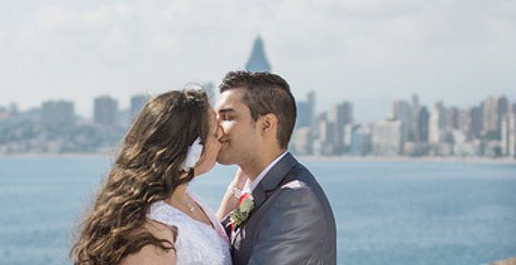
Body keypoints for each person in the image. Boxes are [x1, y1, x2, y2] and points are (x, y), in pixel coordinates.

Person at [71, 88, 231, 265]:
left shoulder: (183, 197)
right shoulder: (149, 236)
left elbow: (207, 238)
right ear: (191, 148)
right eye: (216, 134)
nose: (222, 138)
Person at [214, 71, 337, 265]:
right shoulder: (260, 188)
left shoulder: (296, 200)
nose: (216, 128)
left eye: (227, 117)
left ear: (266, 125)